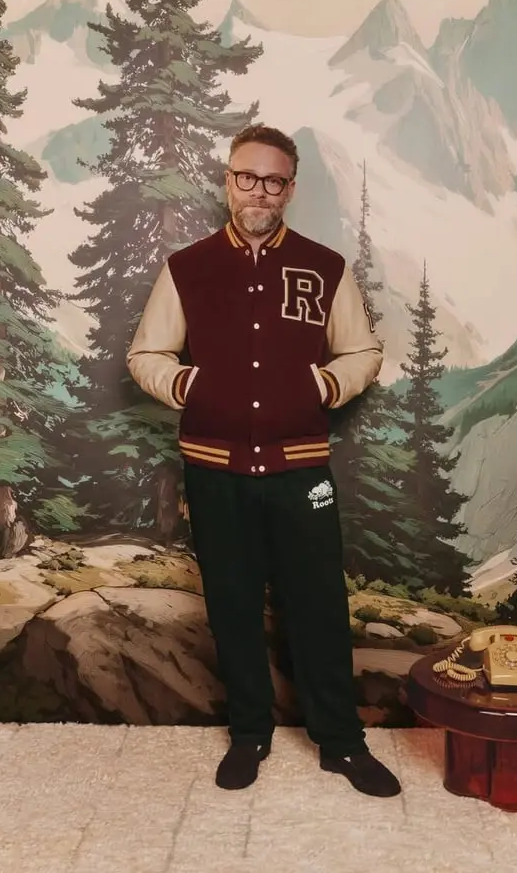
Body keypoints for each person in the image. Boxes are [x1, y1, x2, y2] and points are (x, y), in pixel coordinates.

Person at [126, 124, 401, 798]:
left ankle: (340, 743)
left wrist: (321, 385)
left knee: (317, 605)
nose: (259, 191)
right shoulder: (186, 268)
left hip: (301, 467)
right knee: (232, 603)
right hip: (212, 468)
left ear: (289, 189)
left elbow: (363, 352)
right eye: (247, 177)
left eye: (274, 180)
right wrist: (189, 386)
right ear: (228, 181)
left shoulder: (323, 267)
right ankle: (249, 736)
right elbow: (145, 357)